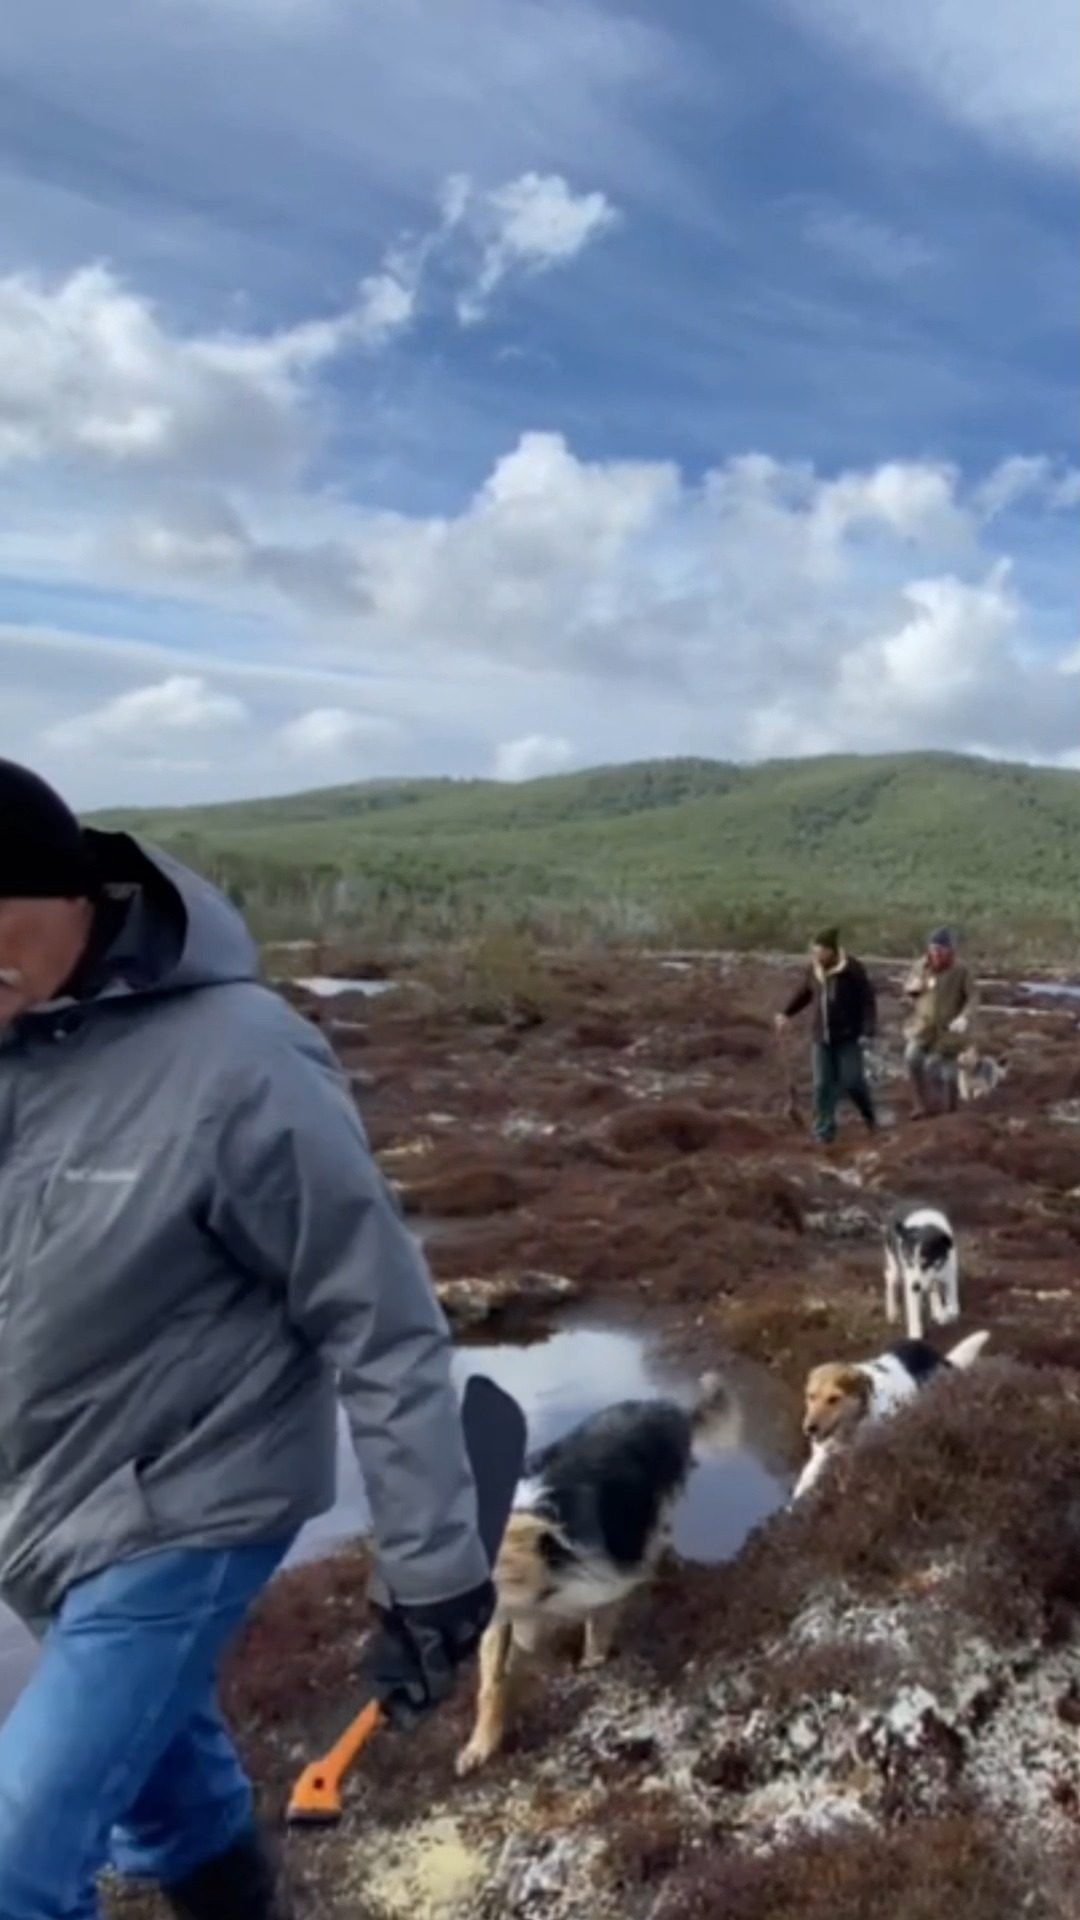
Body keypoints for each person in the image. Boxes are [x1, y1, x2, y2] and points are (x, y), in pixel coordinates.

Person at [0, 760, 495, 1920]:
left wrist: (432, 1565)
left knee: (17, 1862)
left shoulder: (240, 1059)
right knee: (163, 1797)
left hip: (188, 1502)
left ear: (63, 892)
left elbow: (377, 1315)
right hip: (39, 1498)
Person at [775, 928, 878, 1147]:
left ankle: (869, 1117)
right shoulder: (814, 970)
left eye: (819, 951)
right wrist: (786, 1013)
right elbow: (804, 993)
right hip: (821, 1036)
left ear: (831, 951)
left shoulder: (852, 969)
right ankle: (824, 1131)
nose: (815, 955)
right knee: (822, 1084)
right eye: (813, 950)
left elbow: (868, 1000)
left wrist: (868, 1030)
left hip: (848, 1036)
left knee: (853, 1082)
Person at [902, 926, 978, 1116]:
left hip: (949, 1032)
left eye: (940, 949)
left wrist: (964, 1017)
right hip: (923, 1028)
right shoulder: (920, 967)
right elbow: (909, 991)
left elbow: (974, 997)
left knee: (947, 1073)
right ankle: (920, 1104)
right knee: (912, 1058)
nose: (936, 953)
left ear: (950, 950)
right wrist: (911, 991)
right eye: (933, 948)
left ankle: (950, 1109)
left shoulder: (961, 970)